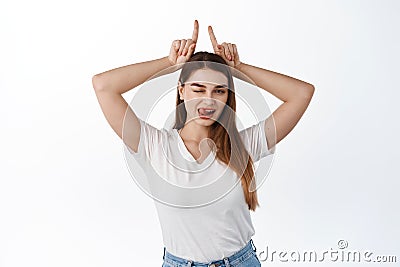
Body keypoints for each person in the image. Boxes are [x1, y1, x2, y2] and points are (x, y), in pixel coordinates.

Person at [92, 20, 314, 267]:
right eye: (198, 89)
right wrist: (169, 64)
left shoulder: (242, 145)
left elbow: (301, 93)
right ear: (181, 90)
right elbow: (103, 86)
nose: (209, 101)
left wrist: (239, 68)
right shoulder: (153, 145)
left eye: (219, 91)